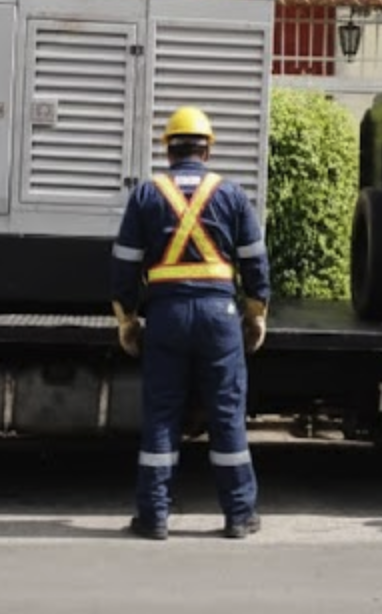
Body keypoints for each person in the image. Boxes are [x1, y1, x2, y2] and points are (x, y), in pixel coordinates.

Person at [110, 105, 270, 540]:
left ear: (168, 149)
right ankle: (239, 516)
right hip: (220, 317)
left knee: (162, 415)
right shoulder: (232, 194)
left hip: (166, 316)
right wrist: (256, 313)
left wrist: (127, 320)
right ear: (208, 148)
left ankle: (154, 516)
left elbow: (125, 266)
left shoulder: (146, 195)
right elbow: (256, 261)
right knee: (226, 415)